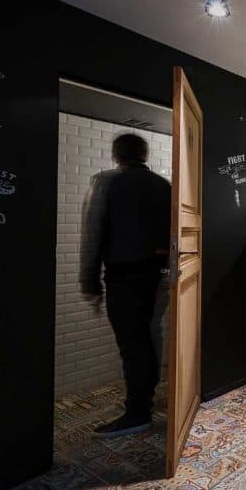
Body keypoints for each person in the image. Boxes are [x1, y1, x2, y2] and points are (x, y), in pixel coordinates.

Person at [80, 133, 171, 437]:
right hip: (159, 277)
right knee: (149, 338)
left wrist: (89, 282)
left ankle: (137, 412)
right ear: (144, 155)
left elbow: (92, 235)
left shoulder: (106, 182)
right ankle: (145, 399)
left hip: (124, 278)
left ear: (117, 155)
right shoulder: (165, 186)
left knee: (132, 346)